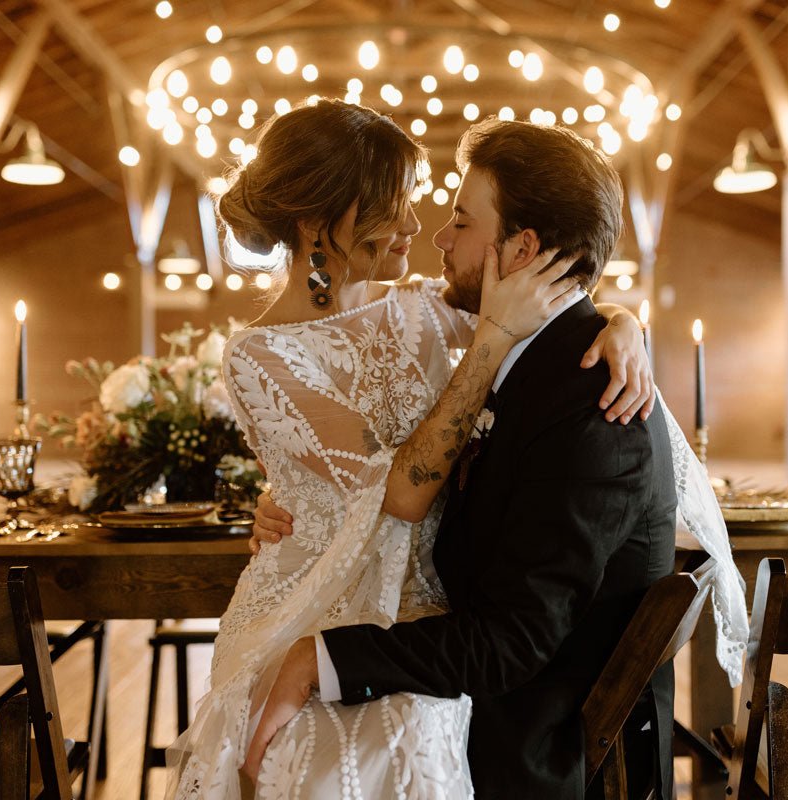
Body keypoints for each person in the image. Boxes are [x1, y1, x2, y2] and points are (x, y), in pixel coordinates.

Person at [244, 119, 750, 800]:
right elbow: (367, 475)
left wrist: (324, 659)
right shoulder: (536, 364)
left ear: (524, 248)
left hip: (525, 733)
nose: (435, 236)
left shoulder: (587, 411)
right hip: (417, 628)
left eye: (458, 219)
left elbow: (511, 641)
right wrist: (301, 495)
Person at [163, 100, 656, 800]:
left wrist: (621, 320)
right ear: (314, 222)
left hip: (426, 606)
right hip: (317, 600)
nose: (414, 226)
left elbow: (545, 294)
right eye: (391, 206)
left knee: (415, 734)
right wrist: (487, 342)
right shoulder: (258, 355)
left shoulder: (422, 306)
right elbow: (402, 493)